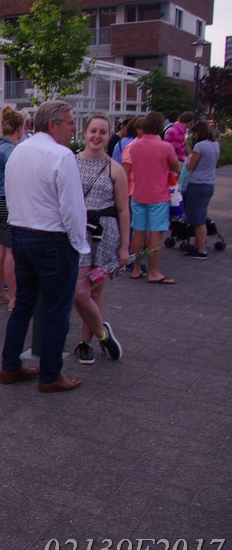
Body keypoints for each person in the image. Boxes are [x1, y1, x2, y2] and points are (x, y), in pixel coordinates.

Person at [0, 100, 88, 393]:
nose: (74, 128)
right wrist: (79, 244)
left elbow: (11, 194)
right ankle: (50, 375)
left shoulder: (17, 151)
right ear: (53, 124)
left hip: (20, 234)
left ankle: (10, 366)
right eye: (70, 122)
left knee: (23, 305)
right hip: (52, 239)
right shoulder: (62, 155)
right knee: (56, 311)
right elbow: (72, 208)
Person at [72, 113, 128, 364]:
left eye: (102, 132)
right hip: (78, 232)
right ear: (84, 133)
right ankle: (102, 332)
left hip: (105, 233)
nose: (97, 136)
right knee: (78, 290)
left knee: (95, 290)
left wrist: (125, 246)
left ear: (108, 136)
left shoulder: (115, 169)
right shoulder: (71, 163)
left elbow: (123, 209)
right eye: (93, 131)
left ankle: (86, 342)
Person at [124, 112, 180, 283]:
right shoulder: (165, 147)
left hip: (138, 194)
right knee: (155, 233)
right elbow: (176, 167)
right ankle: (154, 272)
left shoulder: (135, 146)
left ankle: (135, 268)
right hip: (158, 196)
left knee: (138, 232)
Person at [0, 105, 25, 311]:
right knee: (11, 251)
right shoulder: (11, 151)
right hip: (8, 202)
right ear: (19, 129)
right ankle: (13, 297)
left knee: (1, 248)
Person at [182, 121, 220, 259]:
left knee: (197, 220)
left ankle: (201, 250)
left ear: (199, 132)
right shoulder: (215, 144)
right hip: (209, 184)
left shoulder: (200, 146)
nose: (193, 135)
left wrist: (188, 159)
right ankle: (198, 245)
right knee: (201, 216)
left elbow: (190, 166)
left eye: (194, 133)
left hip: (197, 184)